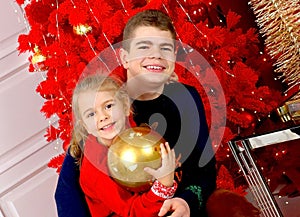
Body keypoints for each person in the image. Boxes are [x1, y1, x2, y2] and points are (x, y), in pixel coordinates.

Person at [55, 9, 216, 217]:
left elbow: (204, 169)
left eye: (165, 49)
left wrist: (186, 202)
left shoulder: (186, 99)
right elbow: (67, 194)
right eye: (144, 47)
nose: (156, 56)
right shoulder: (105, 110)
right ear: (125, 57)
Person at [69, 74, 177, 217]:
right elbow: (131, 211)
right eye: (91, 114)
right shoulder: (95, 171)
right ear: (85, 126)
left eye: (108, 106)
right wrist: (164, 184)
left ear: (126, 107)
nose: (103, 117)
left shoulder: (134, 131)